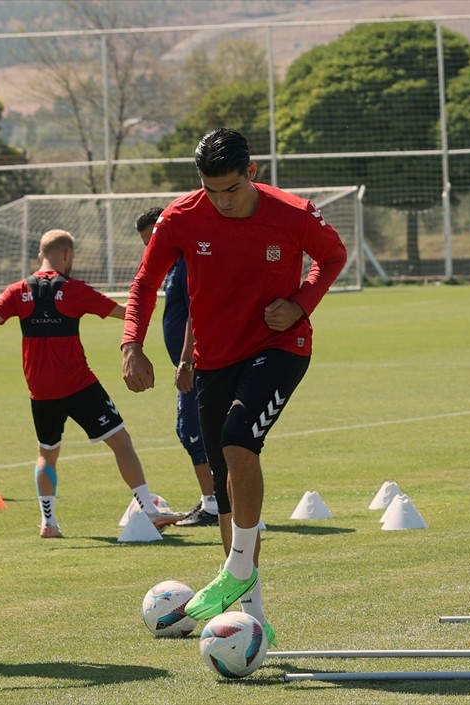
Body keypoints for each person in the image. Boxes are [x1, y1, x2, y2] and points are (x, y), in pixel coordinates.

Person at [121, 128, 347, 646]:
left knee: (238, 438)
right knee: (223, 488)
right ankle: (253, 620)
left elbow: (333, 257)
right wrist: (132, 343)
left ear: (253, 172)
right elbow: (145, 283)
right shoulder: (180, 217)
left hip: (280, 346)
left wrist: (301, 303)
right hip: (213, 360)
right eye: (211, 190)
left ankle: (238, 568)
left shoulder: (293, 213)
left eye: (232, 189)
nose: (221, 201)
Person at [0, 229, 183, 539]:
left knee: (46, 453)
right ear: (67, 254)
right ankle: (149, 509)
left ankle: (48, 523)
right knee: (121, 441)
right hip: (79, 386)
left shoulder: (18, 291)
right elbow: (126, 313)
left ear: (41, 255)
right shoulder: (73, 290)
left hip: (40, 391)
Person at [134, 207, 218, 528]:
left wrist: (186, 360)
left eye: (154, 241)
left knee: (192, 431)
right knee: (198, 431)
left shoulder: (188, 262)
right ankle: (218, 500)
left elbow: (198, 310)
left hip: (198, 363)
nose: (152, 250)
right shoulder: (173, 266)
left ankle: (215, 505)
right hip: (193, 362)